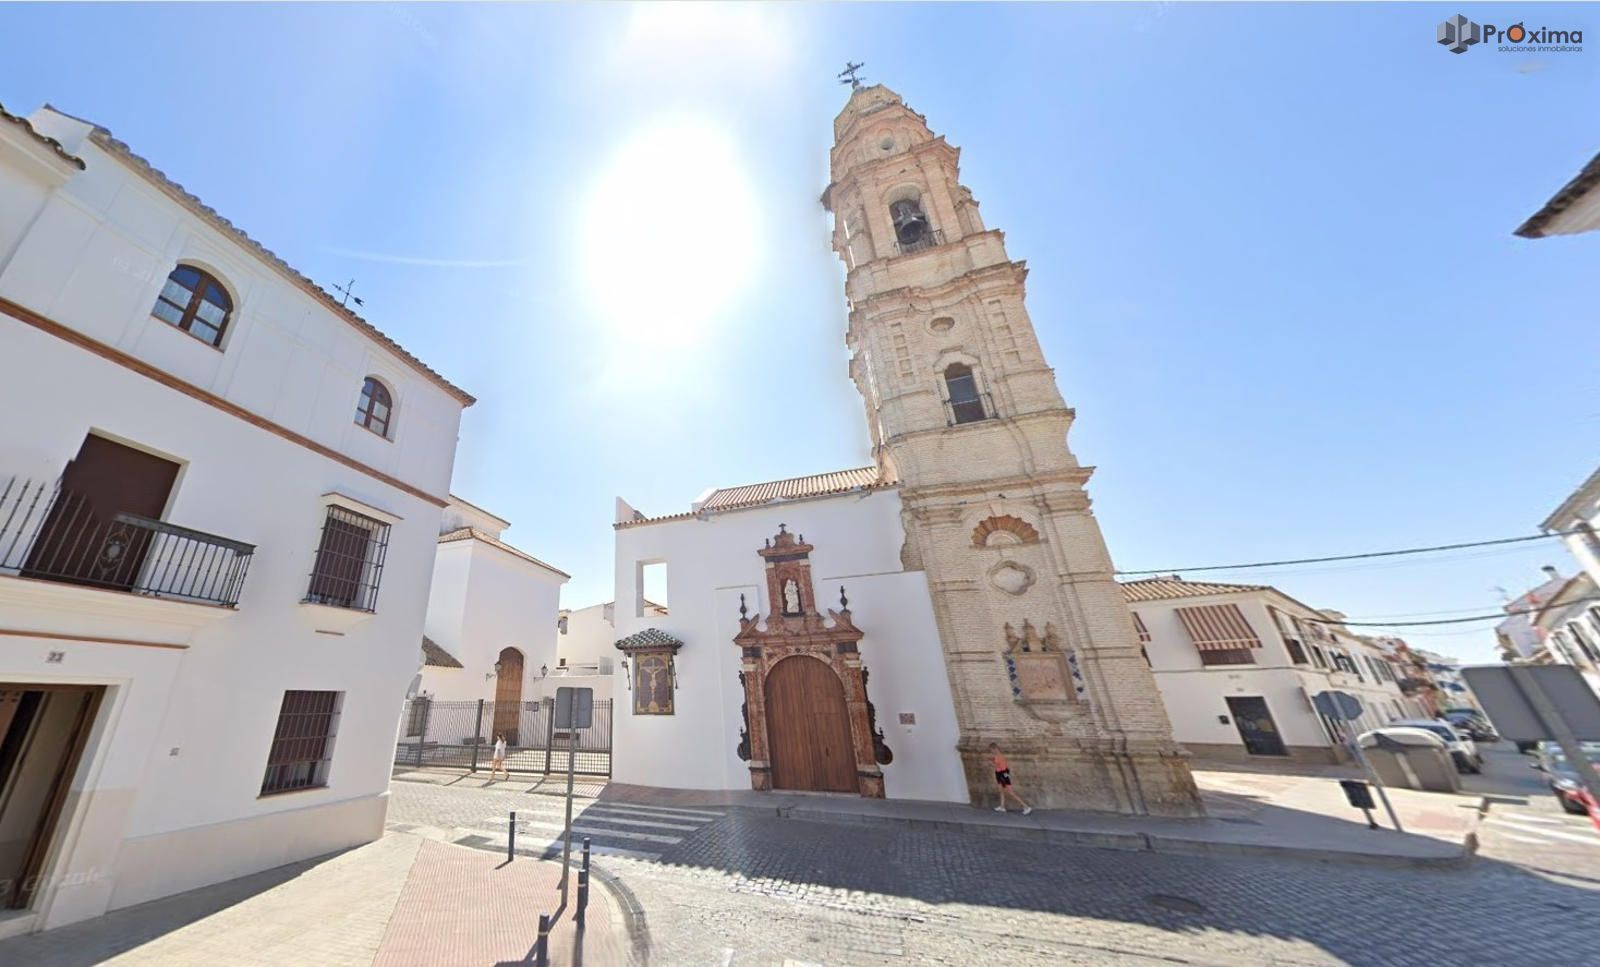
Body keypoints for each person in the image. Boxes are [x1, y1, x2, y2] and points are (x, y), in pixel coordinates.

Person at [988, 742, 1032, 815]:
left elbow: (1003, 769)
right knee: (1001, 791)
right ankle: (1002, 807)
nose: (991, 751)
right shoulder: (997, 756)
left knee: (1011, 792)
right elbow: (999, 766)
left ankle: (1026, 807)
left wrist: (991, 764)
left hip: (1002, 775)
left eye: (991, 750)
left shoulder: (1000, 757)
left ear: (995, 749)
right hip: (999, 775)